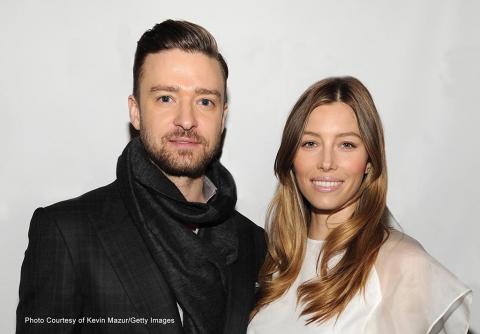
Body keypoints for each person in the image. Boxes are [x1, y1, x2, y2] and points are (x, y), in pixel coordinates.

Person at [17, 19, 266, 334]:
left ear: (222, 118)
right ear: (135, 112)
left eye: (205, 101)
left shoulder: (253, 243)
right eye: (166, 98)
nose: (186, 120)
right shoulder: (66, 232)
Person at [247, 76, 472, 333]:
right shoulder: (277, 262)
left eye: (346, 145)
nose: (327, 162)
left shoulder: (402, 265)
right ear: (291, 158)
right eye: (310, 143)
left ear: (369, 161)